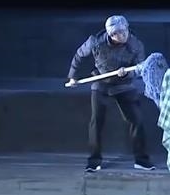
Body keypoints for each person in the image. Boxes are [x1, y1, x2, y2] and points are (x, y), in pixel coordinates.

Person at [66, 15, 154, 173]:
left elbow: (140, 68)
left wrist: (127, 74)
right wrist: (72, 76)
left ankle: (141, 160)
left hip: (124, 85)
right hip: (101, 83)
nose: (123, 35)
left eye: (124, 31)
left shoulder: (136, 44)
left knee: (137, 120)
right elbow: (79, 55)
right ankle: (94, 161)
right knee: (96, 121)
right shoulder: (95, 42)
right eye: (118, 33)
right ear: (111, 34)